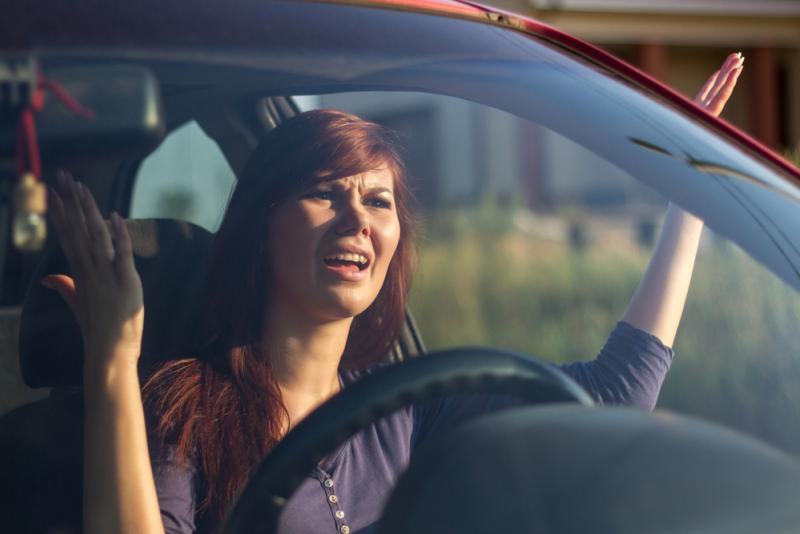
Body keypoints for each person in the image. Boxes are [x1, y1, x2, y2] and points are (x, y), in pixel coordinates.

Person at [43, 53, 744, 534]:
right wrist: (113, 352)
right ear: (260, 227)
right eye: (324, 194)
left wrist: (687, 203)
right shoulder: (187, 404)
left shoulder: (408, 407)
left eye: (378, 202)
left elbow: (616, 394)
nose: (358, 222)